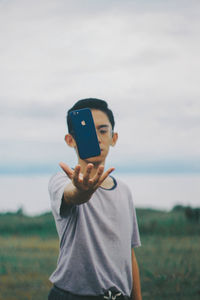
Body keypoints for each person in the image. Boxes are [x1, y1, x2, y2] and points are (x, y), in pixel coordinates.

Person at [48, 98, 142, 300]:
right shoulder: (61, 180)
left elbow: (129, 252)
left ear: (113, 138)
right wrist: (83, 191)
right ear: (70, 140)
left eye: (102, 130)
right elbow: (73, 195)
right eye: (87, 131)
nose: (97, 138)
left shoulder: (124, 191)